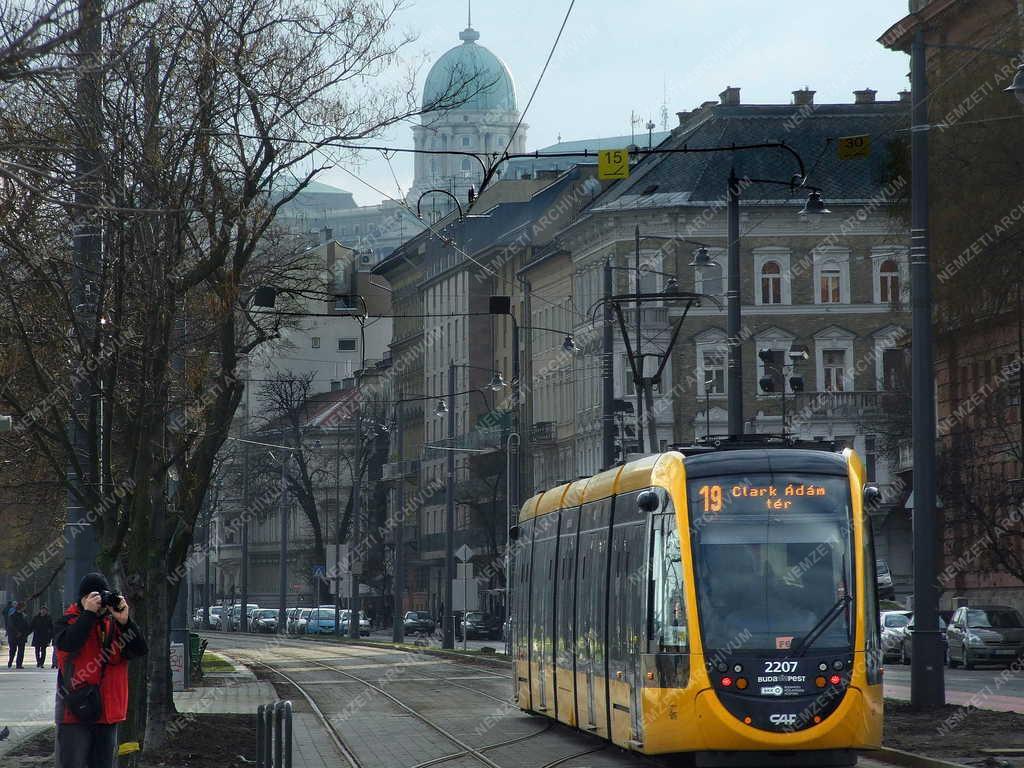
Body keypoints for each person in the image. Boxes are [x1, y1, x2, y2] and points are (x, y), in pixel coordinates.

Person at [54, 572, 148, 768]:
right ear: (82, 599)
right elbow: (70, 643)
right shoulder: (67, 622)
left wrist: (125, 621)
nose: (99, 604)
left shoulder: (114, 625)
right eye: (93, 597)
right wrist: (88, 614)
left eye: (101, 598)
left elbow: (139, 650)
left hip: (107, 712)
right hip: (75, 711)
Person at [6, 602, 28, 668]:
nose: (24, 609)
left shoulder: (24, 616)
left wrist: (25, 633)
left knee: (21, 651)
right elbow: (11, 625)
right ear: (21, 608)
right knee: (13, 650)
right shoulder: (12, 616)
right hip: (14, 636)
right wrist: (17, 632)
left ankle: (19, 664)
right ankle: (10, 661)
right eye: (23, 607)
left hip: (22, 636)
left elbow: (26, 625)